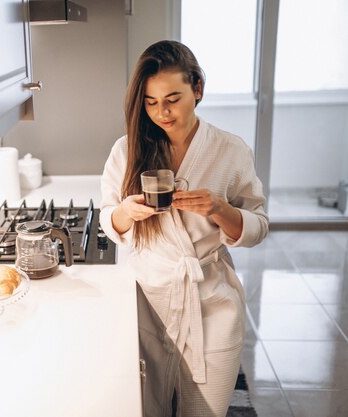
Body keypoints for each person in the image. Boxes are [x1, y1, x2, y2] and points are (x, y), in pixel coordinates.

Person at [99, 40, 268, 417]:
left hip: (211, 302)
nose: (162, 112)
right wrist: (125, 212)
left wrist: (220, 209)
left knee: (205, 409)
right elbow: (108, 219)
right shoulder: (127, 151)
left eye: (173, 98)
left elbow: (259, 227)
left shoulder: (230, 150)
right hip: (149, 300)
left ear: (198, 89)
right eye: (151, 101)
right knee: (147, 407)